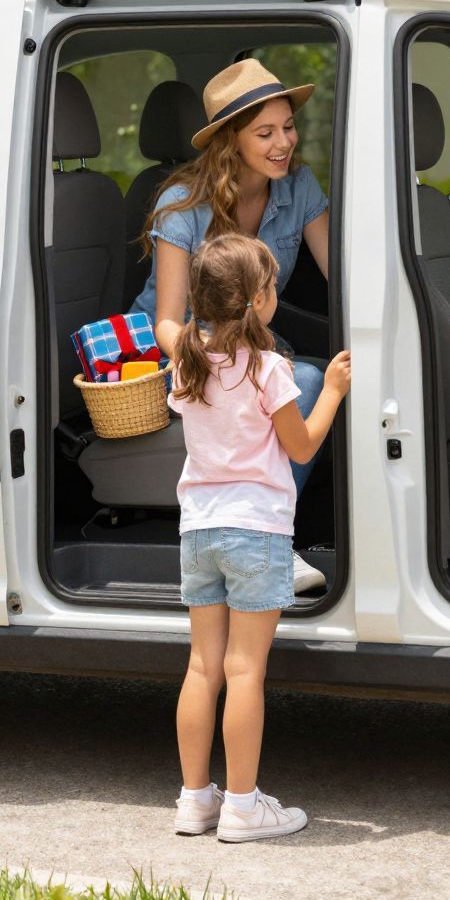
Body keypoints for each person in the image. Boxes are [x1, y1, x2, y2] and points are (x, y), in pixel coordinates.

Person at [166, 233, 351, 841]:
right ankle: (243, 806)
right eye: (272, 286)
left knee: (203, 668)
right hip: (256, 531)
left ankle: (195, 801)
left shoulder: (189, 363)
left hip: (199, 530)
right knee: (246, 670)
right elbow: (301, 446)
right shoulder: (269, 370)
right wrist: (333, 392)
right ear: (259, 300)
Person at [131, 59, 333, 593]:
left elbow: (344, 277)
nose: (283, 143)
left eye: (288, 127)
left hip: (249, 338)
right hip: (183, 350)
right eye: (265, 133)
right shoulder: (183, 205)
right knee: (306, 382)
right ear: (230, 141)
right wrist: (224, 364)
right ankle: (270, 544)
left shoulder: (300, 188)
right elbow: (167, 324)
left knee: (306, 371)